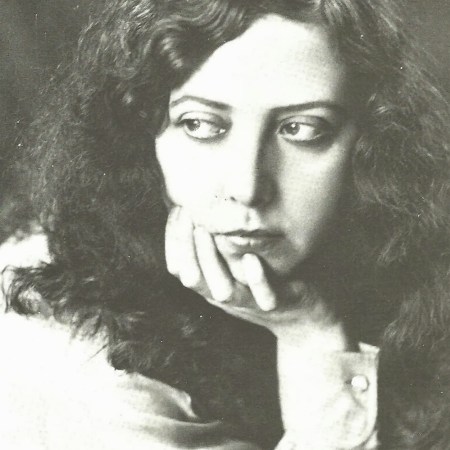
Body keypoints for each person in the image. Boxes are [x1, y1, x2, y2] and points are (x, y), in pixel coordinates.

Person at [1, 0, 449, 449]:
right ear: (137, 137)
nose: (247, 187)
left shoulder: (395, 273)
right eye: (199, 125)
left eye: (303, 129)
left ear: (371, 145)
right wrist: (311, 337)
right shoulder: (72, 354)